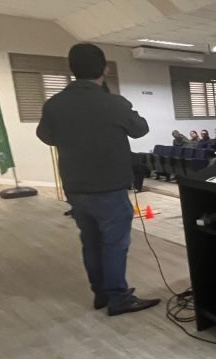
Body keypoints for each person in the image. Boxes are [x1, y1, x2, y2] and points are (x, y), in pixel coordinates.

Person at [36, 43, 159, 316]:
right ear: (104, 69)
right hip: (109, 188)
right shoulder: (113, 103)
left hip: (75, 187)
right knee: (114, 244)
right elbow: (140, 129)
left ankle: (101, 294)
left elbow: (46, 136)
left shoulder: (54, 104)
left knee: (90, 242)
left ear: (71, 68)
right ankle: (119, 298)